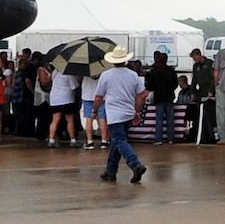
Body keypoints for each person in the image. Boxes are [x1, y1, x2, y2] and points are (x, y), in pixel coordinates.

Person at [92, 48, 149, 183]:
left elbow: (99, 97)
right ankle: (111, 171)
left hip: (114, 115)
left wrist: (94, 110)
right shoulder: (133, 75)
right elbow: (141, 96)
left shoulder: (106, 75)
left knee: (119, 140)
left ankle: (135, 164)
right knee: (116, 142)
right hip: (128, 113)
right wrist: (137, 111)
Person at [144, 51, 179, 146]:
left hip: (159, 97)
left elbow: (150, 86)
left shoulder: (154, 72)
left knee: (159, 119)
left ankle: (158, 138)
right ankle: (171, 138)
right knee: (170, 119)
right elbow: (175, 83)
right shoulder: (171, 70)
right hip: (169, 97)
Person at [46, 64, 81, 148]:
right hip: (67, 99)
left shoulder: (55, 72)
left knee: (55, 120)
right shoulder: (68, 73)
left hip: (55, 99)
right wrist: (79, 79)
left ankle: (51, 140)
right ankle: (73, 140)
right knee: (70, 120)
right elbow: (75, 86)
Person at [187, 49, 216, 144]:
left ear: (199, 55)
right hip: (201, 91)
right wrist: (192, 92)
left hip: (209, 90)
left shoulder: (210, 64)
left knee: (209, 115)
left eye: (195, 57)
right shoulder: (196, 66)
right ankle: (201, 134)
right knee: (200, 114)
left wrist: (211, 91)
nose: (194, 60)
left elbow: (213, 79)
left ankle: (210, 135)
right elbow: (194, 80)